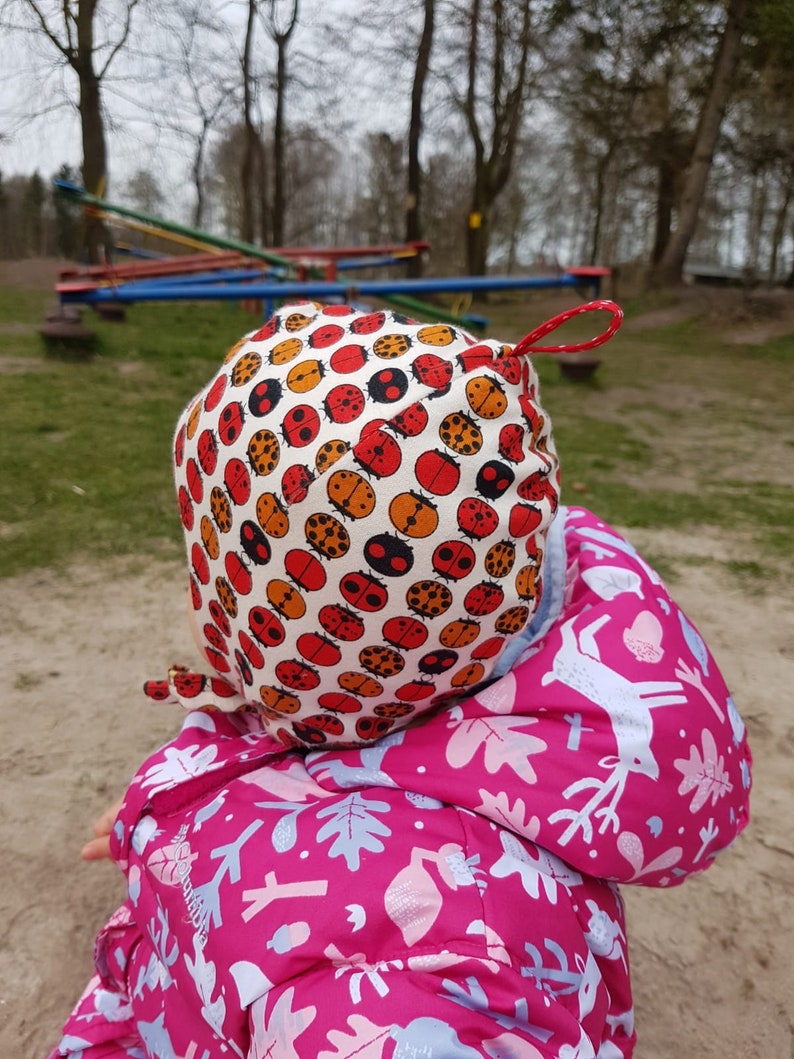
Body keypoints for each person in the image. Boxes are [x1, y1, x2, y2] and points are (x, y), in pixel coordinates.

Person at [48, 299, 751, 1059]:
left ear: (293, 645)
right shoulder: (358, 696)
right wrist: (173, 810)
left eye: (204, 574)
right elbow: (273, 759)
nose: (188, 591)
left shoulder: (433, 964)